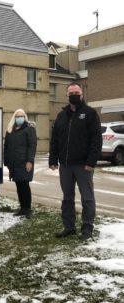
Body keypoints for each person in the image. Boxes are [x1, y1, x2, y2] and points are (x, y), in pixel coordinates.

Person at [49, 82, 102, 240]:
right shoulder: (61, 116)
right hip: (65, 166)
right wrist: (53, 158)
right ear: (67, 95)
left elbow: (96, 140)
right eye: (71, 92)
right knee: (67, 198)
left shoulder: (90, 113)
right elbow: (55, 140)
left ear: (82, 94)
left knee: (87, 197)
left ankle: (87, 228)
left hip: (83, 165)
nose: (74, 95)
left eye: (76, 92)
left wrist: (91, 162)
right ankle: (69, 227)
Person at [4, 108, 37, 218]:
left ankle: (27, 209)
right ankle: (22, 208)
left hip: (24, 162)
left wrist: (30, 161)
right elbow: (6, 147)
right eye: (17, 116)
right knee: (18, 185)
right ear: (14, 117)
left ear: (25, 117)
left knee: (24, 185)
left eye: (21, 116)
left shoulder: (29, 129)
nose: (19, 118)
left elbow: (32, 146)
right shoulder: (10, 130)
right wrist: (7, 161)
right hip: (14, 163)